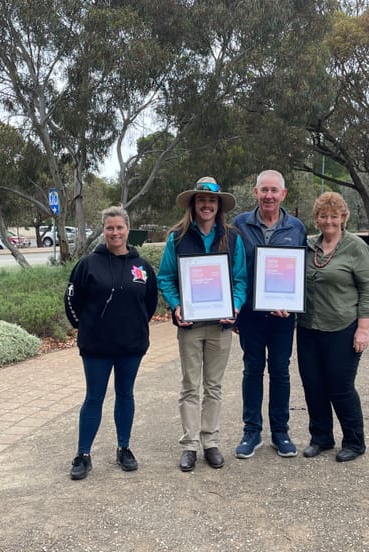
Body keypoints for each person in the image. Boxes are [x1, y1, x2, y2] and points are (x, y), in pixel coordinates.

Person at [157, 177, 248, 472]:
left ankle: (210, 442)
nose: (206, 205)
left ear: (218, 205)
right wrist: (177, 305)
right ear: (193, 205)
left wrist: (235, 305)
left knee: (214, 386)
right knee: (189, 386)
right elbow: (166, 278)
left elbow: (240, 280)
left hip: (221, 325)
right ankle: (189, 445)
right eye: (201, 200)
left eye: (211, 201)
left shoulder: (232, 237)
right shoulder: (178, 237)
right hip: (191, 325)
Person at [64, 206, 158, 480]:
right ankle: (83, 454)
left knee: (125, 394)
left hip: (131, 345)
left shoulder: (141, 267)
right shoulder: (87, 264)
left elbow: (150, 302)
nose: (115, 232)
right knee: (94, 397)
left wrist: (136, 324)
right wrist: (84, 327)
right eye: (109, 228)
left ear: (128, 229)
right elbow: (72, 300)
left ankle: (124, 448)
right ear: (103, 231)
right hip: (96, 347)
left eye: (119, 227)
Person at [296, 192, 369, 462]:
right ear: (316, 219)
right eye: (323, 216)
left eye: (334, 216)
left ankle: (354, 441)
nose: (328, 221)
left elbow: (368, 288)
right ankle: (321, 437)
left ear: (343, 218)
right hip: (308, 327)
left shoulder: (355, 247)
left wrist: (363, 329)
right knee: (313, 385)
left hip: (343, 327)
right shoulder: (308, 246)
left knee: (340, 387)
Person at [232, 170, 308, 459]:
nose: (269, 196)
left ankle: (280, 432)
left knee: (280, 371)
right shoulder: (240, 225)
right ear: (255, 192)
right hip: (251, 316)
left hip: (283, 318)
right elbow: (235, 268)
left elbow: (300, 272)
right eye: (264, 190)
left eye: (274, 190)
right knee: (252, 370)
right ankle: (251, 432)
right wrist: (237, 311)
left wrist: (290, 302)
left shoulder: (296, 228)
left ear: (283, 194)